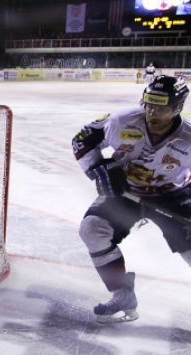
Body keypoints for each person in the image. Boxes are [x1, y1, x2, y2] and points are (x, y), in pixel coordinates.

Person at [72, 75, 191, 324]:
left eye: (161, 107)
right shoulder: (121, 120)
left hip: (173, 196)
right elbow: (82, 139)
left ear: (178, 108)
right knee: (92, 229)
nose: (151, 113)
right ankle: (122, 293)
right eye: (148, 104)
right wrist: (99, 169)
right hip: (127, 192)